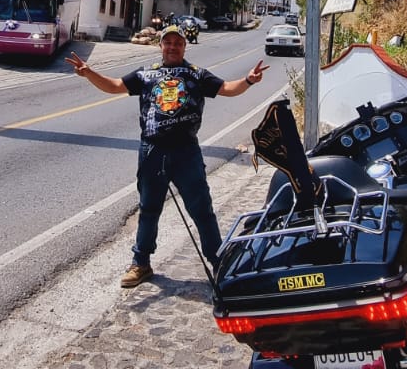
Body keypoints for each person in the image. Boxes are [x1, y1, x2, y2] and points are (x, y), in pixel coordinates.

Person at [69, 25, 267, 288]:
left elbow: (228, 89)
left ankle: (219, 261)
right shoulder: (146, 73)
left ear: (185, 46)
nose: (173, 47)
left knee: (202, 210)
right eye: (168, 42)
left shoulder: (196, 74)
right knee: (149, 209)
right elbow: (116, 86)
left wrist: (249, 80)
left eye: (178, 43)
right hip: (152, 151)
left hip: (186, 152)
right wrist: (89, 73)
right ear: (160, 46)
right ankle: (141, 262)